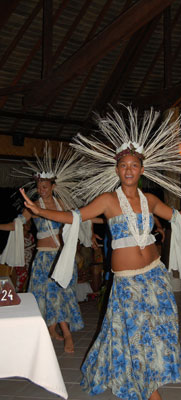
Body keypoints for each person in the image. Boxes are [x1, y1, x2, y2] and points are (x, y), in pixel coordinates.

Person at [20, 106, 181, 400]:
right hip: (128, 281)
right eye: (124, 166)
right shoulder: (108, 200)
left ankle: (150, 377)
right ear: (117, 170)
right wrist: (38, 210)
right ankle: (149, 389)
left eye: (134, 165)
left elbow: (179, 218)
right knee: (136, 332)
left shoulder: (150, 199)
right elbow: (75, 217)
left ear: (142, 169)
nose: (129, 170)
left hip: (155, 275)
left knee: (161, 327)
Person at [0, 142, 100, 353]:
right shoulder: (33, 207)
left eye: (45, 186)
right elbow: (16, 225)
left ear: (53, 186)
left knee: (61, 295)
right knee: (45, 297)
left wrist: (95, 230)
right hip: (43, 258)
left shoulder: (63, 204)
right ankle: (53, 330)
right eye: (39, 186)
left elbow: (82, 219)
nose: (41, 190)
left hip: (62, 258)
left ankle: (67, 335)